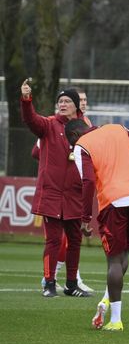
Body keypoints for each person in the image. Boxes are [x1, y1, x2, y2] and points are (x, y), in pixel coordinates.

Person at [66, 120, 129, 332]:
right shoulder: (119, 128)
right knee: (124, 255)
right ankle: (106, 299)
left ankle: (116, 320)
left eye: (70, 141)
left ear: (75, 134)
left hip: (114, 202)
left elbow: (88, 182)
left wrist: (85, 218)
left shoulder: (81, 146)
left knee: (113, 260)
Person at [19, 79, 92, 298]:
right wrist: (26, 99)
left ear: (77, 105)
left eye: (67, 101)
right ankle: (49, 283)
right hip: (51, 194)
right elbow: (30, 120)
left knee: (75, 240)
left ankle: (71, 284)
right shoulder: (49, 124)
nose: (62, 104)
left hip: (74, 195)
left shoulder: (86, 129)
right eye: (60, 101)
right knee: (53, 239)